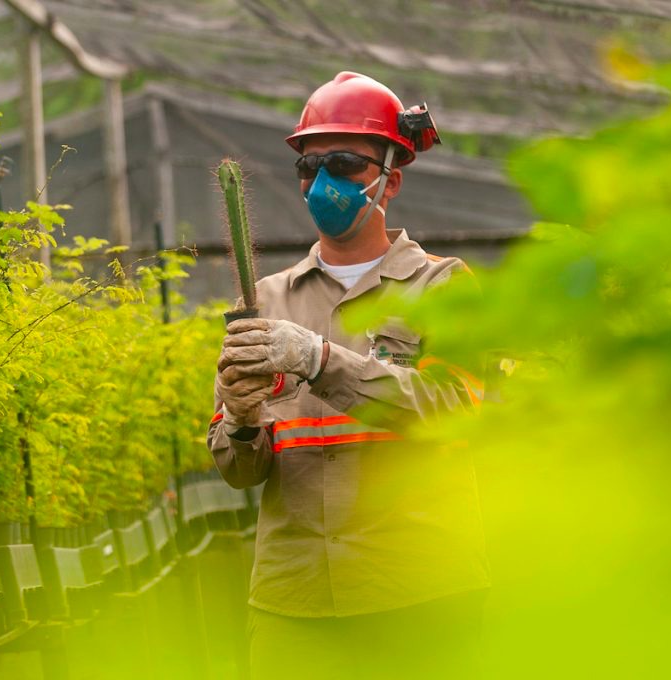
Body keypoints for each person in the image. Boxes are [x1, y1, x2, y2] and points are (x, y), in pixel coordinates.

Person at [208, 71, 490, 679]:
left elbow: (454, 411)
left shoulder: (442, 287)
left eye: (343, 163)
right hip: (294, 604)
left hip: (418, 596)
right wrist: (238, 418)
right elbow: (238, 472)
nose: (322, 183)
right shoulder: (262, 301)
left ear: (391, 178)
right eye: (309, 168)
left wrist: (319, 360)